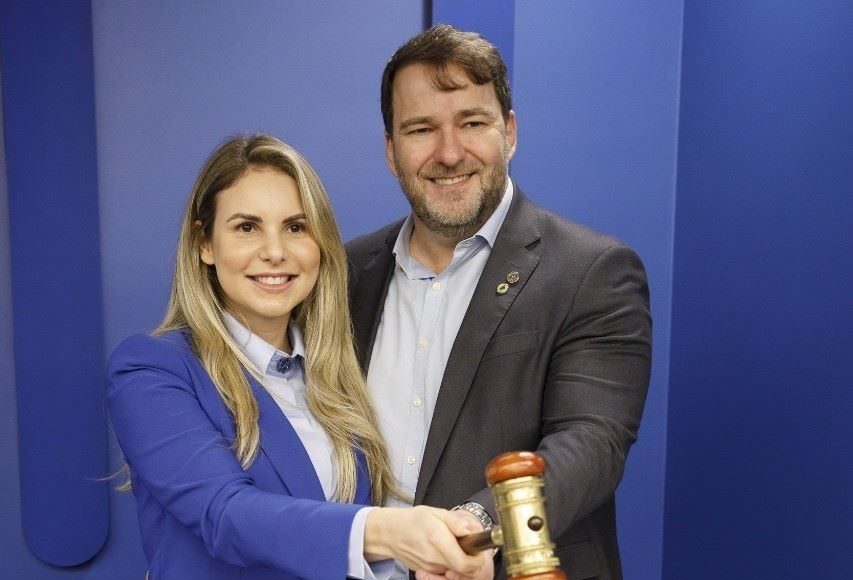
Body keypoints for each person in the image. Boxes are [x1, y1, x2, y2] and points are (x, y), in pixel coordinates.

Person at [107, 134, 492, 580]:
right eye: (246, 227)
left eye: (295, 227)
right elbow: (225, 515)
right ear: (204, 244)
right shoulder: (152, 370)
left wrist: (434, 557)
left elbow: (333, 551)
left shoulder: (336, 375)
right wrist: (387, 531)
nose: (275, 252)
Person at [346, 25, 652, 580]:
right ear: (391, 150)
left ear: (508, 131)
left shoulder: (592, 271)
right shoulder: (346, 273)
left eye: (472, 123)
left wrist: (480, 525)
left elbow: (590, 444)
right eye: (421, 129)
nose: (449, 152)